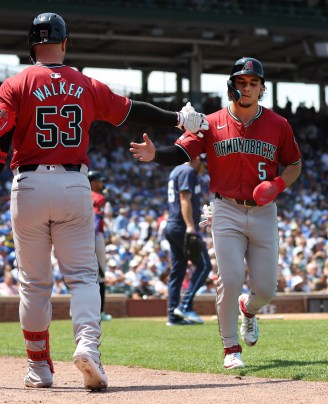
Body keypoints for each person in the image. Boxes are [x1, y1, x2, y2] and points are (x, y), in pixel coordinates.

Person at [0, 12, 208, 391]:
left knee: (33, 283)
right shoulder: (86, 84)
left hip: (27, 184)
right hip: (73, 185)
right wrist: (179, 118)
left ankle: (39, 368)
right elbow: (133, 111)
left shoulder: (14, 84)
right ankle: (88, 348)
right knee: (82, 277)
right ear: (65, 43)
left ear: (31, 45)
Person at [130, 57, 302, 369]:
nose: (247, 88)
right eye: (241, 82)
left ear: (262, 88)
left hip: (264, 211)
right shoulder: (211, 122)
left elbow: (294, 164)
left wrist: (277, 184)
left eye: (253, 83)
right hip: (225, 209)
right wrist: (157, 155)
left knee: (266, 289)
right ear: (232, 86)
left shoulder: (279, 125)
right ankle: (230, 349)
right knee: (230, 278)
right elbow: (182, 151)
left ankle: (248, 311)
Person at [165, 154, 212, 326]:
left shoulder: (176, 170)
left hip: (173, 225)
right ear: (197, 159)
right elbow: (185, 199)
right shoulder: (188, 170)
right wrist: (190, 227)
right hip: (181, 226)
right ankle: (184, 306)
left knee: (178, 272)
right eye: (204, 164)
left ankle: (173, 316)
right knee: (204, 265)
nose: (205, 169)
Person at [88, 170, 112, 321]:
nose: (102, 184)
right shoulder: (99, 197)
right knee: (100, 275)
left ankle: (77, 311)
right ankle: (100, 312)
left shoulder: (77, 194)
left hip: (75, 236)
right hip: (94, 236)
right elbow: (96, 219)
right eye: (99, 181)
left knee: (81, 275)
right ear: (93, 181)